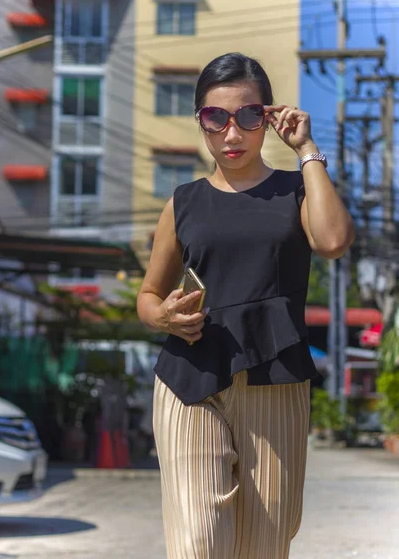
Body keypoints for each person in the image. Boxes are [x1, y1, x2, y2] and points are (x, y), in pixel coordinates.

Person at [137, 52, 355, 559]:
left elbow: (333, 240)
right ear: (201, 122)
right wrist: (164, 316)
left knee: (264, 543)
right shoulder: (183, 202)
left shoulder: (297, 189)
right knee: (199, 543)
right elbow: (148, 298)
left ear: (269, 117)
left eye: (249, 117)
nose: (232, 134)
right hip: (189, 377)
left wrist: (306, 149)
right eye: (216, 119)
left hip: (275, 377)